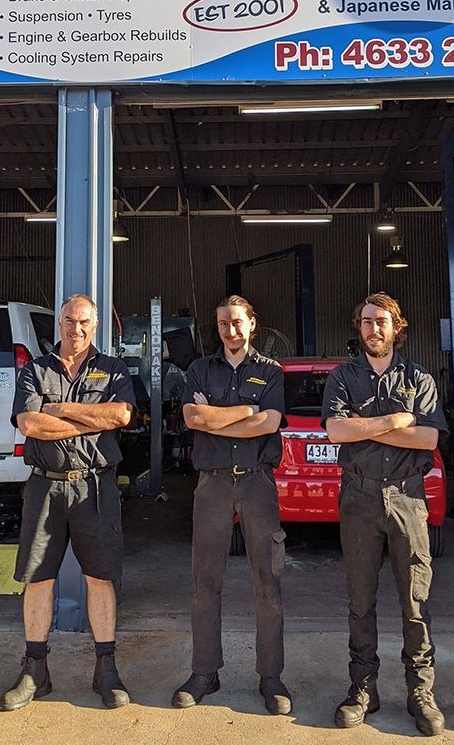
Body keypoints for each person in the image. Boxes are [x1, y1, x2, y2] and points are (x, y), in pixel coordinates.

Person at [0, 294, 136, 712]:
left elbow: (121, 417)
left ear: (96, 327)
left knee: (100, 578)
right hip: (45, 488)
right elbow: (31, 424)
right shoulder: (35, 370)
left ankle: (106, 669)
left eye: (85, 323)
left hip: (95, 487)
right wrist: (88, 417)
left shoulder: (113, 369)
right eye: (69, 321)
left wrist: (62, 410)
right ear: (58, 323)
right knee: (38, 579)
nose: (76, 330)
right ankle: (35, 670)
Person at [322, 292, 448, 736]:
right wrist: (396, 422)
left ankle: (420, 691)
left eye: (382, 322)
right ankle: (363, 687)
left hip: (407, 500)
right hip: (358, 499)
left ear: (398, 327)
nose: (374, 329)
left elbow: (430, 440)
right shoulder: (342, 377)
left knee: (415, 601)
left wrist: (367, 426)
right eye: (366, 322)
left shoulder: (419, 378)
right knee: (360, 600)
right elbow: (337, 430)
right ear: (358, 327)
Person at [171, 295, 292, 715]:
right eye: (224, 324)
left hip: (258, 484)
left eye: (238, 323)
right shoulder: (199, 370)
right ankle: (205, 671)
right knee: (205, 582)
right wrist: (245, 413)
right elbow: (192, 419)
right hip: (213, 485)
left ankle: (271, 677)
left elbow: (270, 423)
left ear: (252, 324)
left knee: (267, 582)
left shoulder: (271, 371)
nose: (231, 330)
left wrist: (217, 417)